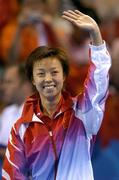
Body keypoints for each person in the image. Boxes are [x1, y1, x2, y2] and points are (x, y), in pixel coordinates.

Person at [2, 10, 111, 180]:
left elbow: (99, 85)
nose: (48, 79)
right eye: (41, 74)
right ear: (32, 79)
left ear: (65, 76)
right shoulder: (21, 128)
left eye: (54, 72)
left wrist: (96, 37)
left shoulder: (83, 114)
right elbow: (13, 176)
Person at [0, 63, 33, 177]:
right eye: (3, 82)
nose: (2, 87)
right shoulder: (7, 112)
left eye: (9, 82)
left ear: (26, 85)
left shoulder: (37, 112)